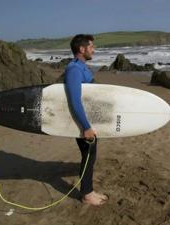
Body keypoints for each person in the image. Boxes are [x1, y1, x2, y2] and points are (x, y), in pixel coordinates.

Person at [64, 34, 108, 206]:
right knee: (88, 155)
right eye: (91, 46)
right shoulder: (74, 69)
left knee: (91, 155)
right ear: (82, 49)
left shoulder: (81, 66)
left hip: (88, 120)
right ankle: (87, 194)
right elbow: (75, 100)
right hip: (82, 122)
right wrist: (86, 126)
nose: (93, 49)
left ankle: (88, 190)